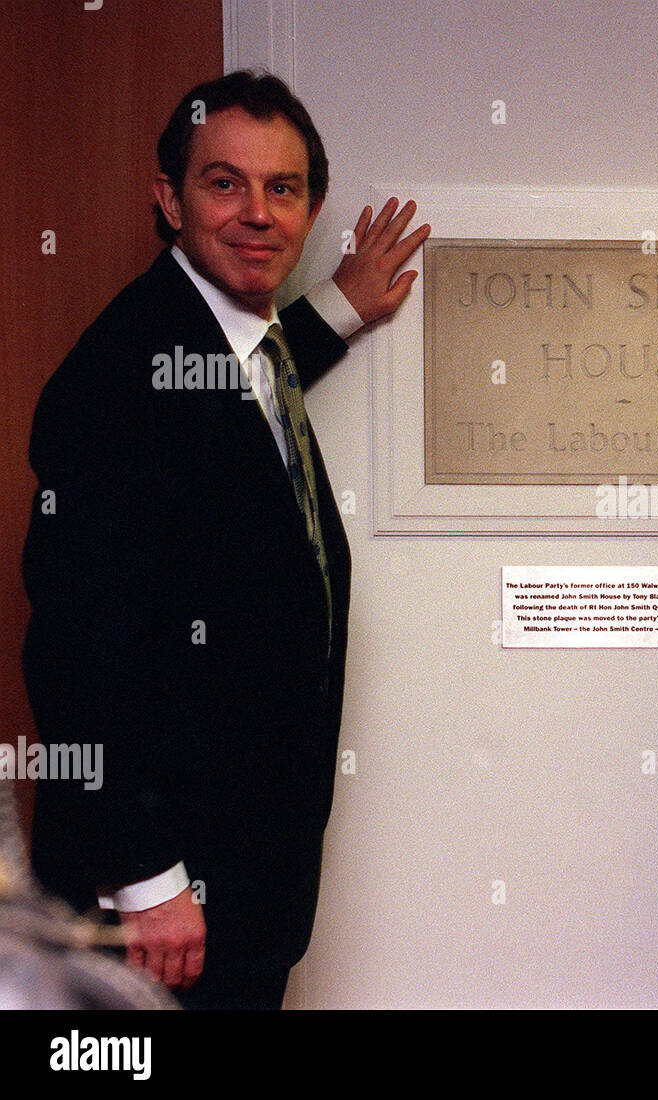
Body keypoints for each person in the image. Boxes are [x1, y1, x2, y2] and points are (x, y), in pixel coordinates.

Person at [22, 70, 430, 1009]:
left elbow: (233, 418)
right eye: (223, 183)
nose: (257, 213)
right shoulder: (117, 378)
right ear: (168, 199)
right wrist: (148, 875)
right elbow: (76, 652)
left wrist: (337, 309)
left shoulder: (233, 344)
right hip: (157, 906)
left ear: (310, 206)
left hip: (243, 882)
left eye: (281, 189)